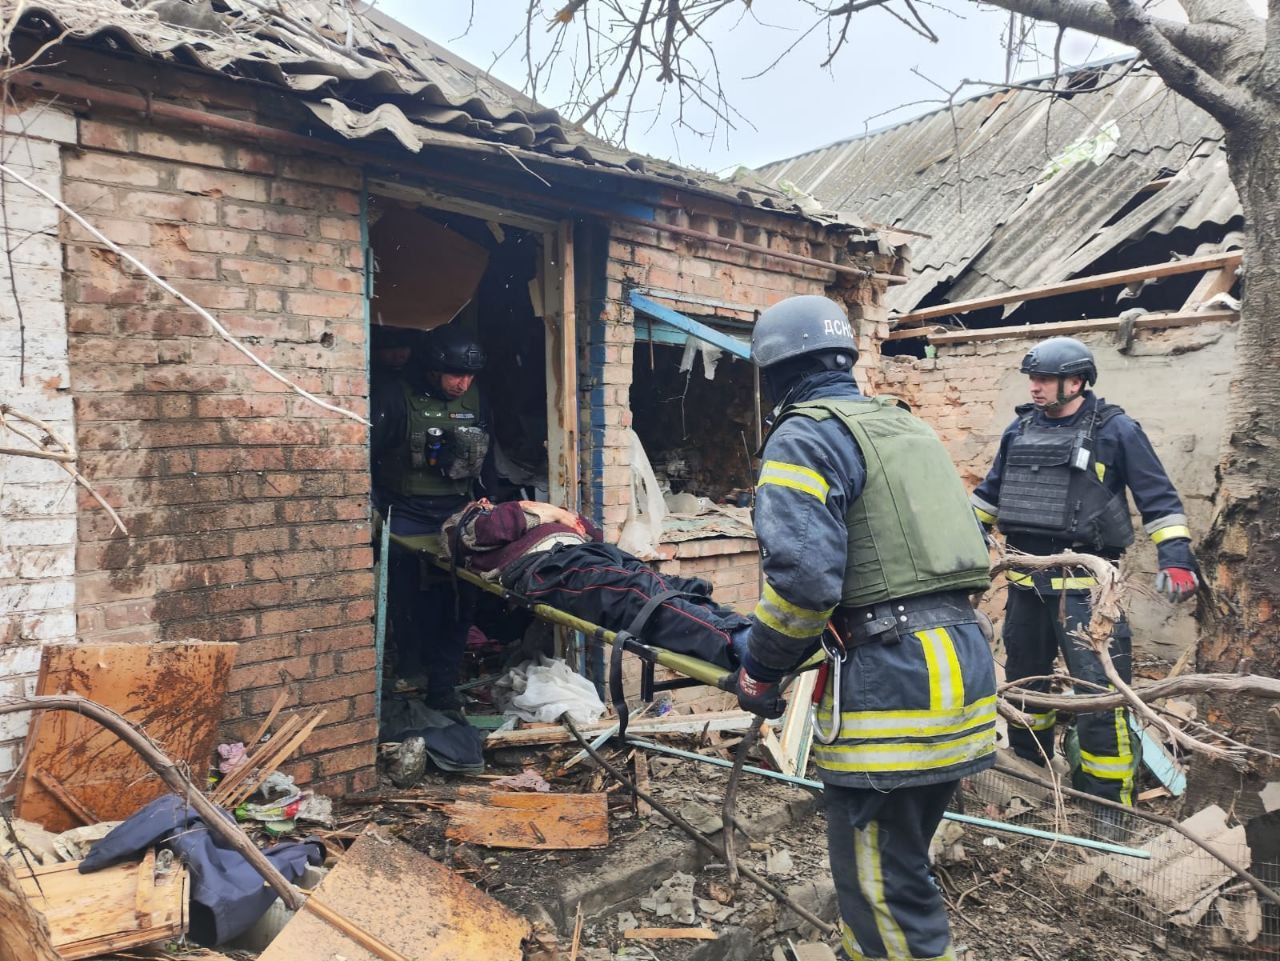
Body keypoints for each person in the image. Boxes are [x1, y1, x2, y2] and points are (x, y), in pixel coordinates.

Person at [728, 295, 996, 961]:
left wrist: (760, 666)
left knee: (882, 892)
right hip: (963, 670)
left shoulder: (804, 437)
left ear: (772, 374)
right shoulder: (906, 428)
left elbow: (803, 584)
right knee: (898, 869)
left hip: (894, 683)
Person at [970, 336, 1197, 812]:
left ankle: (1108, 805)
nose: (1034, 387)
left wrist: (1175, 557)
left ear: (1075, 382)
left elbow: (1158, 499)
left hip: (1087, 592)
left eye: (1044, 379)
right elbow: (989, 497)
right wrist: (963, 544)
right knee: (1025, 686)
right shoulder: (1020, 429)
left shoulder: (1116, 430)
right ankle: (1032, 777)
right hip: (1025, 586)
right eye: (1032, 379)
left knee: (1099, 695)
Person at [443, 498, 751, 669]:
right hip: (547, 565)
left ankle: (747, 631)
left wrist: (561, 516)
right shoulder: (467, 522)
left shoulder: (533, 515)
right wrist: (546, 510)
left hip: (589, 553)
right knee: (634, 594)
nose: (488, 502)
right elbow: (492, 528)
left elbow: (590, 531)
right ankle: (739, 645)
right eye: (483, 502)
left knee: (664, 584)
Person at [371, 324, 490, 711]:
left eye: (470, 376)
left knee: (460, 597)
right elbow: (368, 455)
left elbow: (488, 455)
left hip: (456, 511)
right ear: (433, 370)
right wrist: (374, 509)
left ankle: (444, 685)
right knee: (405, 594)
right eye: (456, 374)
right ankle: (409, 668)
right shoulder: (395, 396)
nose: (463, 384)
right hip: (406, 510)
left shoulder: (475, 398)